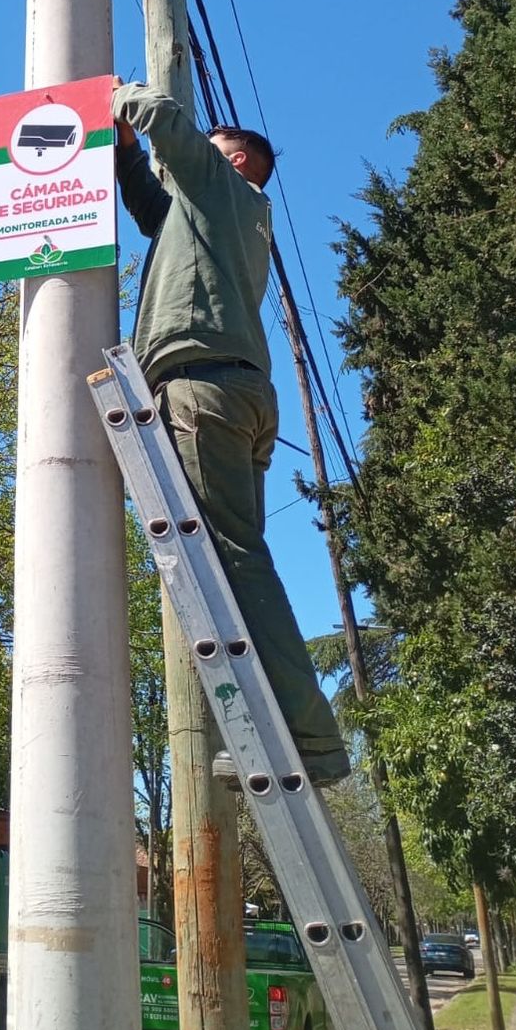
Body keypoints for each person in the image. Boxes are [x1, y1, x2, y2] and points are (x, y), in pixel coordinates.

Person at [112, 78, 350, 788]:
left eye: (215, 151)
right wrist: (126, 156)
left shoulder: (227, 189)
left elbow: (166, 122)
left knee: (236, 563)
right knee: (241, 559)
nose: (186, 162)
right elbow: (153, 208)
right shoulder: (211, 214)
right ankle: (296, 731)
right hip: (234, 388)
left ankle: (310, 740)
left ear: (239, 160)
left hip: (207, 387)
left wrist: (114, 96)